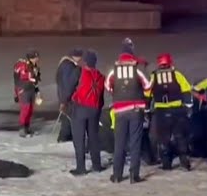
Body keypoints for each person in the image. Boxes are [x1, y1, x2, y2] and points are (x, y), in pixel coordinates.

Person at [105, 39, 152, 183]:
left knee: (119, 143)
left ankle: (117, 175)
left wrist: (116, 92)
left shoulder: (114, 71)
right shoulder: (137, 70)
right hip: (136, 110)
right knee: (135, 142)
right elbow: (148, 86)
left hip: (119, 111)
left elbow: (107, 86)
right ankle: (134, 175)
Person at [145, 53, 193, 171]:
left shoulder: (154, 76)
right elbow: (186, 90)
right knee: (180, 136)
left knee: (163, 138)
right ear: (170, 62)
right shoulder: (177, 74)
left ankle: (166, 164)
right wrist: (188, 107)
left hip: (161, 111)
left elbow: (147, 94)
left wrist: (146, 110)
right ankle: (184, 162)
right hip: (177, 110)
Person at [69, 50, 105, 176]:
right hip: (94, 110)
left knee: (79, 138)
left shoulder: (80, 72)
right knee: (94, 137)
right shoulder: (100, 76)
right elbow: (101, 97)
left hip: (80, 108)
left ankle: (81, 168)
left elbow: (70, 87)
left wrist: (67, 101)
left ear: (85, 61)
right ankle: (97, 165)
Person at [55, 49, 83, 143]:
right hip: (68, 96)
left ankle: (67, 135)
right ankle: (63, 137)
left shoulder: (64, 64)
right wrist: (64, 99)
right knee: (69, 116)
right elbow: (69, 83)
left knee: (67, 116)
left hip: (63, 94)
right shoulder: (70, 66)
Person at [13, 50, 41, 137]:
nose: (37, 59)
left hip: (31, 90)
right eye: (36, 57)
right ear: (31, 58)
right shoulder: (23, 66)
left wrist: (37, 91)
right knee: (25, 109)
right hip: (23, 90)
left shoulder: (35, 67)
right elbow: (23, 78)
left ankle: (27, 128)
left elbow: (35, 81)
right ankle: (22, 129)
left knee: (30, 110)